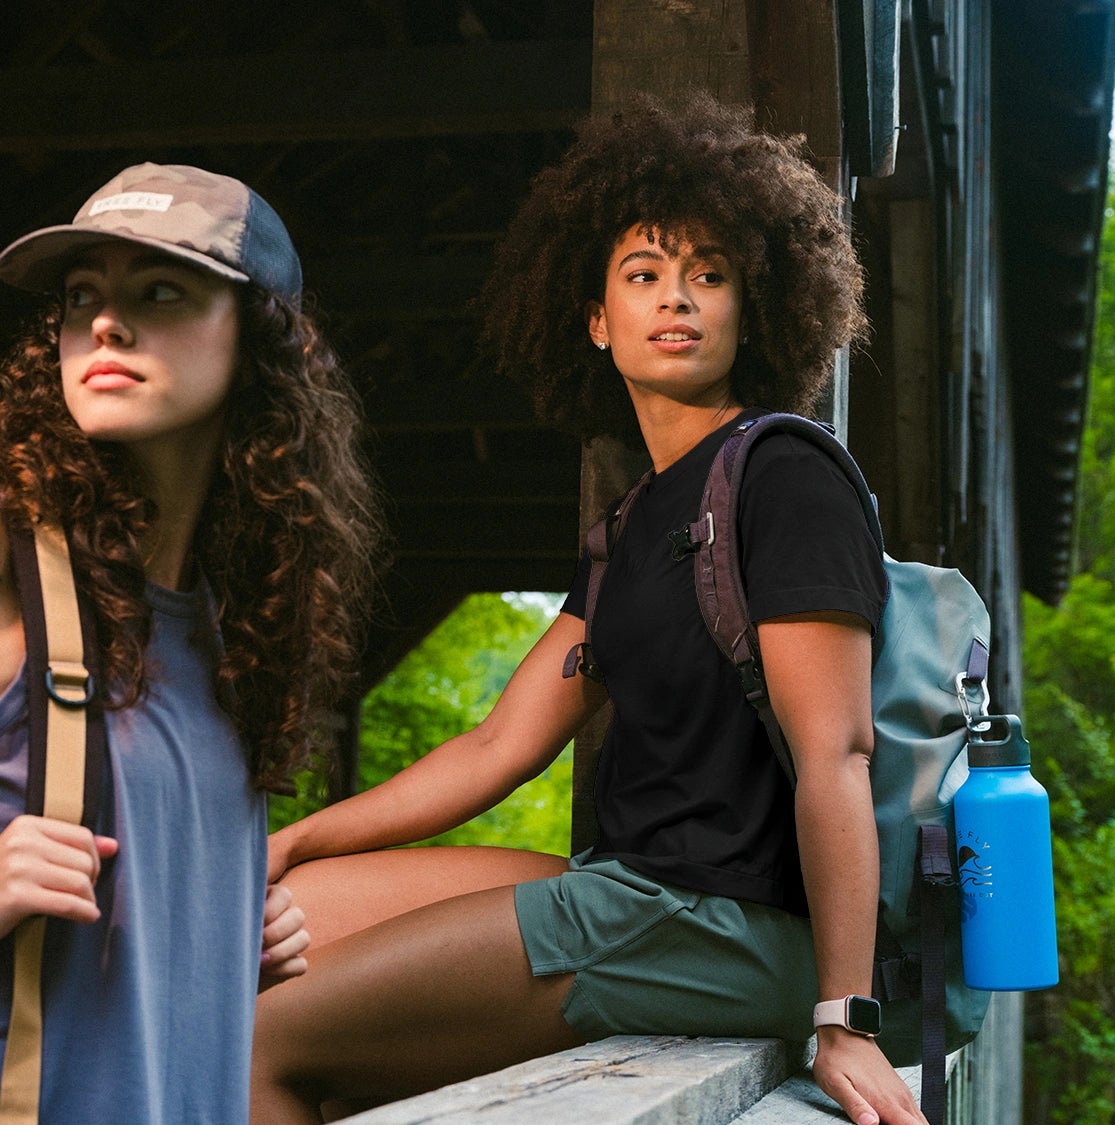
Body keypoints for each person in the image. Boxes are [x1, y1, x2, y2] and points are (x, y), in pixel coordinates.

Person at [251, 96, 924, 1125]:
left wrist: (843, 1016)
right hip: (629, 891)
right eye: (644, 275)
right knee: (259, 935)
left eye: (710, 275)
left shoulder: (785, 476)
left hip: (728, 926)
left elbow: (835, 753)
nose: (678, 299)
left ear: (754, 307)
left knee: (252, 1045)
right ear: (597, 320)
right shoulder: (634, 527)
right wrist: (295, 843)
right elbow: (493, 747)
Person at [0, 163, 382, 1122]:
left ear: (257, 342)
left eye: (159, 291)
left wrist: (218, 924)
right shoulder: (13, 581)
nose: (106, 325)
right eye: (82, 296)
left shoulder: (236, 629)